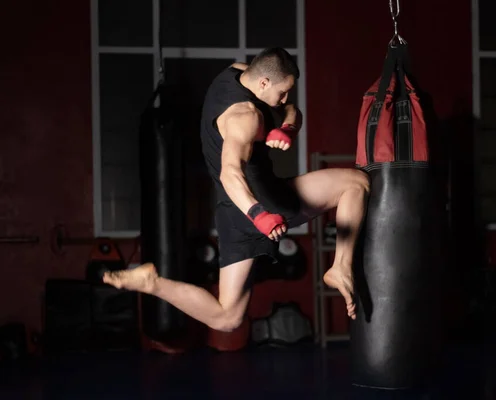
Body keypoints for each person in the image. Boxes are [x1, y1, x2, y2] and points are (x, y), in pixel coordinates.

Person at [103, 47, 369, 331]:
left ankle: (152, 283)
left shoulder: (237, 72)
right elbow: (230, 173)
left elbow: (291, 109)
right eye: (282, 92)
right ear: (264, 83)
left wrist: (288, 127)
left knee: (227, 317)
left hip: (232, 212)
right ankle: (341, 266)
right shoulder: (246, 117)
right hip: (262, 204)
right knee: (356, 183)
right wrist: (259, 215)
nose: (285, 98)